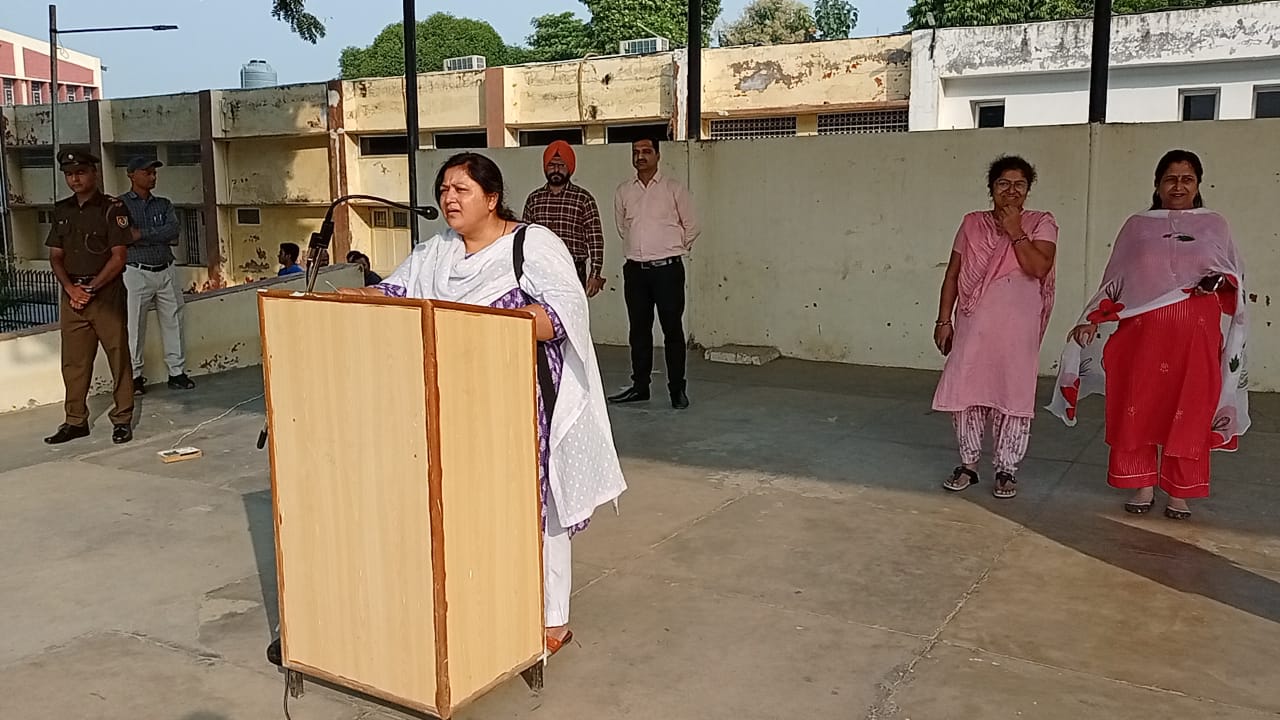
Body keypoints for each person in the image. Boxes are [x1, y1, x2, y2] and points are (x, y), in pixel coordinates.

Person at [339, 152, 626, 654]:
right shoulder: (437, 253)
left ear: (491, 198)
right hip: (457, 399)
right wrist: (353, 298)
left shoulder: (530, 244)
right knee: (475, 504)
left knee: (537, 505)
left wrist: (492, 322)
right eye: (444, 190)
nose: (449, 198)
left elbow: (562, 311)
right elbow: (397, 292)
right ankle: (490, 596)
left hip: (522, 400)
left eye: (461, 190)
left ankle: (552, 619)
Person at [1050, 150, 1249, 520]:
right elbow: (1115, 280)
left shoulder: (1215, 225)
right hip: (1142, 337)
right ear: (1157, 185)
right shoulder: (1137, 226)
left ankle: (1179, 492)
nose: (1178, 185)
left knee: (1190, 409)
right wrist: (1091, 318)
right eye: (1170, 178)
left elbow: (1233, 279)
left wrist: (1218, 282)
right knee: (1138, 404)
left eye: (1187, 178)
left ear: (1198, 184)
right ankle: (1141, 483)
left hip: (1196, 335)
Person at [932, 156, 1058, 499]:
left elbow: (1038, 268)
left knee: (1012, 394)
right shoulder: (972, 223)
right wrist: (944, 319)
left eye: (1019, 185)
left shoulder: (1041, 222)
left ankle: (1006, 469)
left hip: (1017, 328)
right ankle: (968, 464)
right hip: (974, 324)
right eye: (1003, 184)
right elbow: (954, 274)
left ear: (1028, 190)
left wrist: (1015, 230)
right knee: (966, 394)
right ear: (992, 189)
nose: (1011, 191)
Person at [42, 148, 136, 445]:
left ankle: (122, 419)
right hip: (73, 296)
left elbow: (118, 257)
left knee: (117, 355)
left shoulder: (112, 208)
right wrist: (71, 289)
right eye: (69, 174)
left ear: (94, 173)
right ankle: (75, 420)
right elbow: (56, 256)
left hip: (105, 294)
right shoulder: (62, 210)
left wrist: (90, 289)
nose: (75, 179)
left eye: (80, 172)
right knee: (74, 361)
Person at [610, 136, 700, 410]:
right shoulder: (624, 191)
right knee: (639, 331)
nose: (640, 156)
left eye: (646, 151)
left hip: (667, 271)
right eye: (636, 152)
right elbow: (622, 228)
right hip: (636, 272)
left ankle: (677, 390)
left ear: (658, 156)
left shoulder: (674, 189)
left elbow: (692, 226)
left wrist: (669, 249)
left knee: (672, 330)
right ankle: (640, 387)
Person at [120, 156, 196, 395]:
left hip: (165, 268)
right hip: (135, 271)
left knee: (174, 320)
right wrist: (156, 234)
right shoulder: (120, 205)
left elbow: (173, 231)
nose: (152, 177)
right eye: (147, 172)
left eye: (154, 173)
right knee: (134, 325)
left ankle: (177, 372)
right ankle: (134, 376)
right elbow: (123, 236)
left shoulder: (163, 204)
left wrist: (141, 234)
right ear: (131, 175)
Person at [522, 140, 607, 297]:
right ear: (545, 168)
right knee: (542, 316)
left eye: (561, 166)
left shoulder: (583, 199)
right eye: (552, 165)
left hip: (573, 268)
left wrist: (595, 275)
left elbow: (595, 239)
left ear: (570, 168)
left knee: (572, 316)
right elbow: (525, 238)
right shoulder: (534, 199)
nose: (556, 170)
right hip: (540, 269)